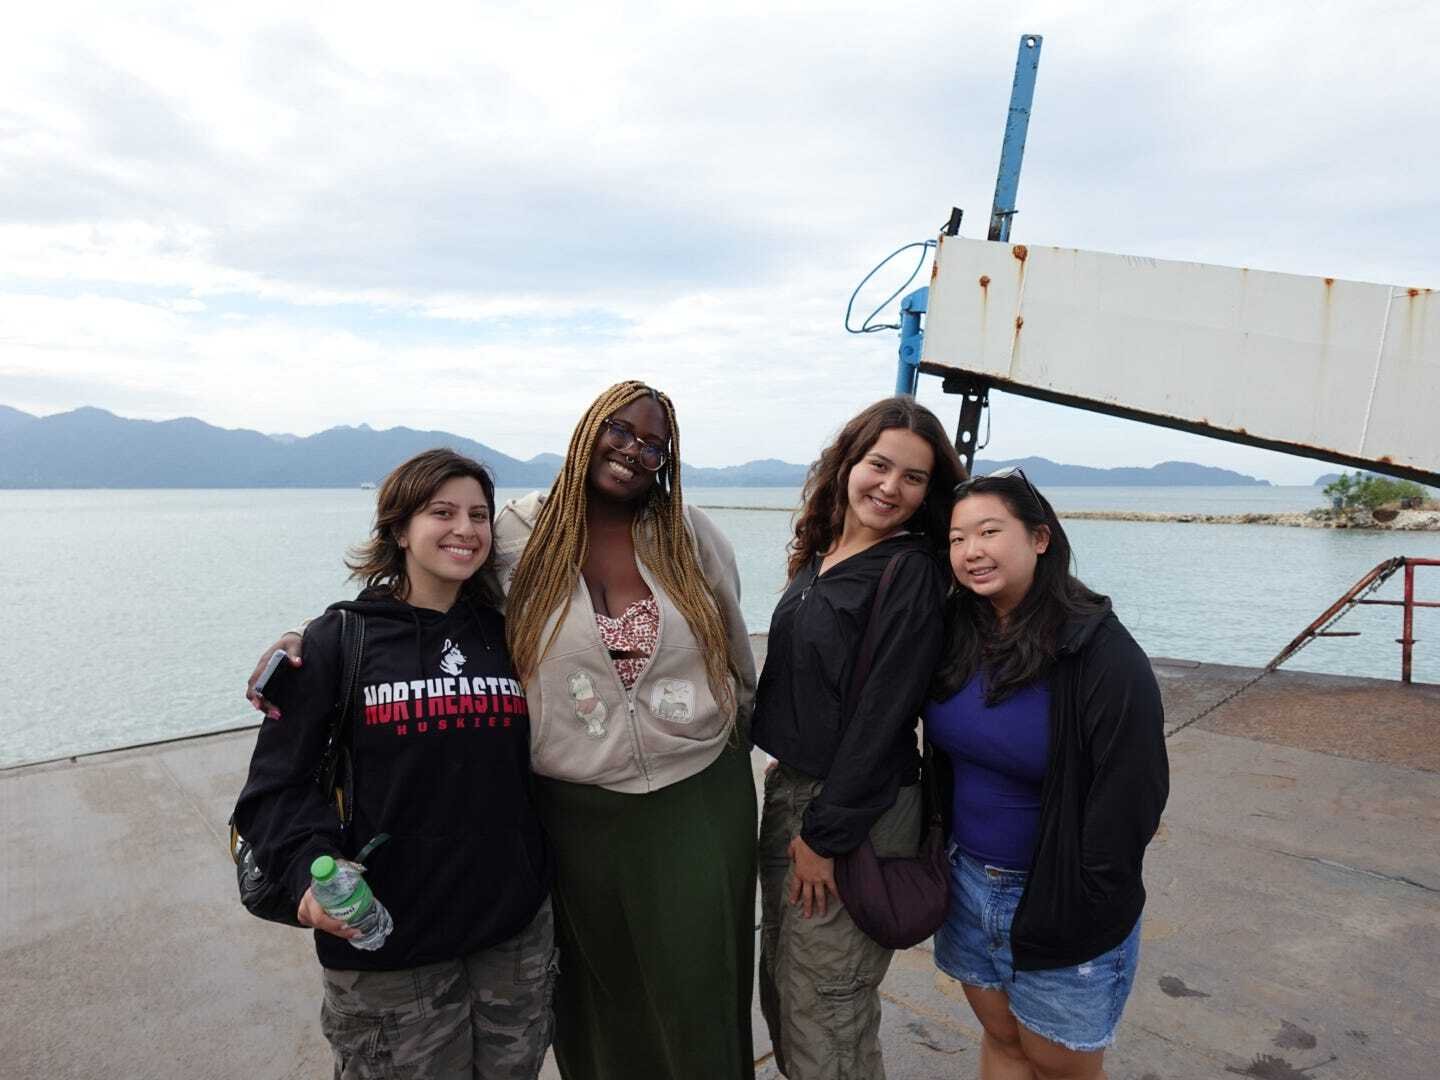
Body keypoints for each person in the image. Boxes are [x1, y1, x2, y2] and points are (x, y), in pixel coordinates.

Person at [247, 382, 758, 1079]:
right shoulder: (519, 534)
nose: (634, 450)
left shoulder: (687, 538)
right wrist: (306, 643)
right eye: (620, 430)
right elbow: (420, 607)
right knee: (598, 1005)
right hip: (540, 835)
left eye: (653, 443)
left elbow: (733, 644)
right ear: (586, 432)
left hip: (666, 812)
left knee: (694, 990)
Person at [234, 448, 556, 1080]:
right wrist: (307, 879)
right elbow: (274, 791)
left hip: (510, 938)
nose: (466, 529)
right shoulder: (337, 642)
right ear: (399, 529)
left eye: (479, 515)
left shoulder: (511, 634)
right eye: (442, 512)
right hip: (388, 949)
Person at [924, 468, 1168, 1080]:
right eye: (956, 539)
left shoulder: (1100, 652)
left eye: (988, 531)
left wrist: (1082, 904)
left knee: (1060, 1067)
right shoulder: (960, 629)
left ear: (1039, 538)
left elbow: (1134, 797)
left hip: (1059, 894)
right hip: (967, 881)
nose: (971, 551)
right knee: (1003, 1041)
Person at [750, 396, 966, 1080]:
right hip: (799, 789)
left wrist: (825, 837)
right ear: (848, 464)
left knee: (828, 1005)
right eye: (878, 465)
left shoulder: (913, 572)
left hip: (855, 811)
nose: (890, 487)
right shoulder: (822, 555)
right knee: (785, 989)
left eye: (913, 478)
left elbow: (882, 716)